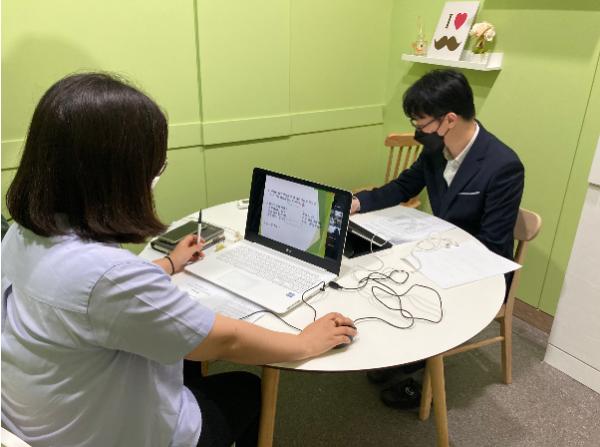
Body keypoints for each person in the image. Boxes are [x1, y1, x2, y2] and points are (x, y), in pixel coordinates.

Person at [1, 73, 357, 447]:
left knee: (187, 362)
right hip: (109, 434)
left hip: (33, 417)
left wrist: (169, 265)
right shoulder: (112, 276)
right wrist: (304, 343)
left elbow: (83, 297)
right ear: (117, 175)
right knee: (245, 388)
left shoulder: (24, 233)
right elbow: (225, 341)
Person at [352, 69, 524, 409]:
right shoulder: (436, 150)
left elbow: (492, 244)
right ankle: (409, 355)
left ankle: (425, 381)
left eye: (421, 123)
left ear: (449, 120)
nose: (418, 131)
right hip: (439, 248)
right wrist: (358, 202)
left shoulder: (503, 165)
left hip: (481, 267)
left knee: (412, 284)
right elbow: (403, 187)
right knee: (381, 269)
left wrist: (433, 256)